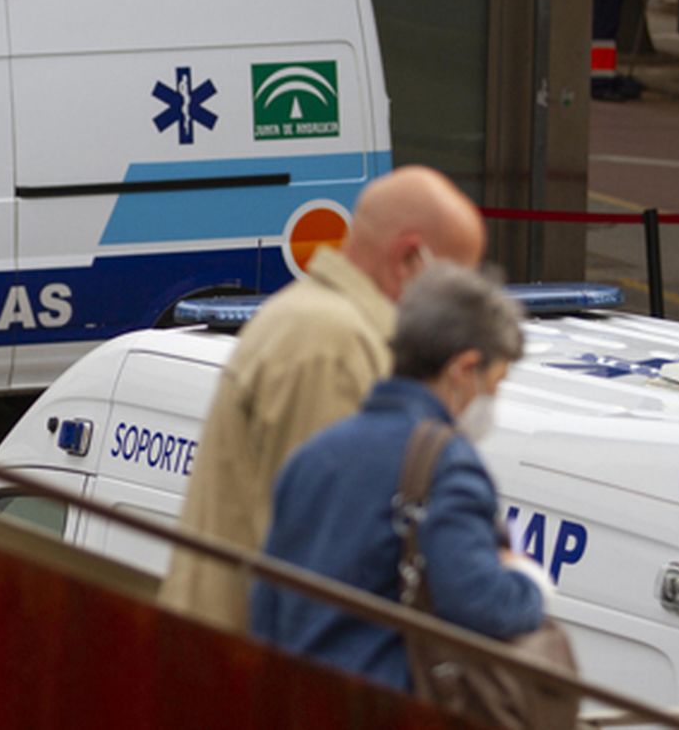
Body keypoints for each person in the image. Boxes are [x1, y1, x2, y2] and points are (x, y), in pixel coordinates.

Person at [158, 165, 485, 632]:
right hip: (260, 675)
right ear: (410, 258)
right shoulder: (332, 343)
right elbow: (327, 552)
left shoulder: (319, 323)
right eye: (458, 287)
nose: (459, 310)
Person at [250, 263, 550, 691]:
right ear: (464, 369)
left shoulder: (313, 454)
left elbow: (266, 607)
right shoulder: (448, 464)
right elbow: (482, 604)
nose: (493, 400)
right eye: (496, 381)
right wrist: (528, 583)